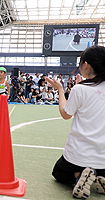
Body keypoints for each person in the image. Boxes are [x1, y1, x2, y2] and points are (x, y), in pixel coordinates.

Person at [46, 45, 105, 199]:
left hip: (79, 156)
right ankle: (100, 176)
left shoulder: (80, 89)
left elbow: (66, 114)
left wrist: (60, 89)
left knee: (58, 172)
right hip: (103, 159)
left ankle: (79, 176)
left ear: (86, 65)